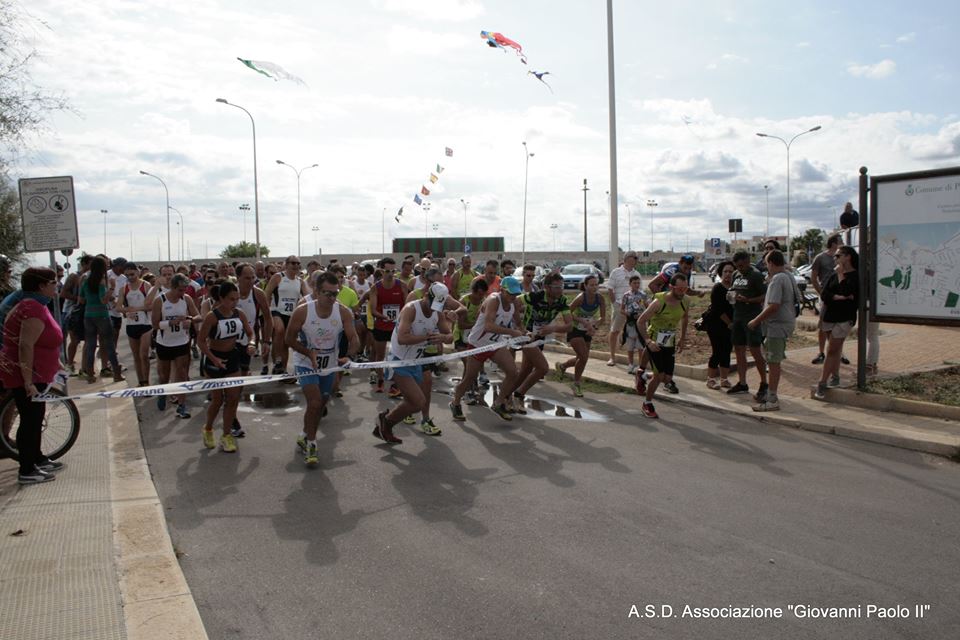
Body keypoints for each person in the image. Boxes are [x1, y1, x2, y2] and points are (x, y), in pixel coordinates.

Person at [0, 268, 66, 484]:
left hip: (37, 372)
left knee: (35, 418)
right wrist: (28, 381)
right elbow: (25, 345)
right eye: (53, 282)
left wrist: (55, 360)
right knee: (29, 420)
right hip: (29, 374)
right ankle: (27, 469)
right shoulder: (32, 308)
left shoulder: (32, 305)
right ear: (41, 286)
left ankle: (37, 458)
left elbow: (40, 339)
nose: (56, 285)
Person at [373, 283, 453, 445]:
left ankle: (386, 422)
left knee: (416, 400)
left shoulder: (437, 313)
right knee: (417, 402)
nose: (433, 309)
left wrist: (444, 337)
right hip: (399, 360)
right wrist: (428, 338)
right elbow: (403, 338)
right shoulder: (411, 309)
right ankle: (387, 421)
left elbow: (449, 335)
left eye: (438, 305)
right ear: (426, 295)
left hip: (417, 359)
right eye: (432, 304)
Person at [450, 276, 525, 422]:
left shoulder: (514, 302)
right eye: (510, 293)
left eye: (515, 294)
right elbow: (488, 326)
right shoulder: (493, 300)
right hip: (478, 344)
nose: (513, 297)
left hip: (495, 344)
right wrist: (512, 332)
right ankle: (455, 402)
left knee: (512, 372)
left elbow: (519, 323)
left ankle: (499, 402)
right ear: (502, 290)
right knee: (469, 378)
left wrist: (525, 332)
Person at [197, 282, 255, 453]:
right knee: (217, 400)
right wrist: (213, 359)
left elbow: (250, 332)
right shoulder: (212, 316)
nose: (235, 302)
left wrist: (251, 343)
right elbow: (201, 341)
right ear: (221, 298)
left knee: (233, 398)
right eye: (231, 299)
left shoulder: (239, 313)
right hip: (214, 359)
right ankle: (208, 428)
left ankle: (226, 435)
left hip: (232, 358)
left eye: (237, 299)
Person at [747, 251, 798, 412]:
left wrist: (756, 320)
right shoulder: (788, 276)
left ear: (771, 263)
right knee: (774, 360)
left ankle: (772, 398)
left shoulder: (778, 279)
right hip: (785, 324)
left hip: (777, 326)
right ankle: (770, 394)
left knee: (773, 362)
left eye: (766, 263)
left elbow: (773, 305)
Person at [514, 272, 573, 409]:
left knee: (526, 370)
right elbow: (514, 303)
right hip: (527, 336)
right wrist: (520, 327)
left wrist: (552, 328)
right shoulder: (536, 296)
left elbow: (569, 326)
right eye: (556, 287)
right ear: (547, 287)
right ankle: (518, 395)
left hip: (539, 337)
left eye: (562, 286)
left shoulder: (562, 300)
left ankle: (507, 396)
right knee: (542, 368)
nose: (560, 290)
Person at [636, 273, 690, 419]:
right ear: (671, 287)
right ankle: (647, 404)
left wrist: (683, 338)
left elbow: (685, 318)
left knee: (667, 379)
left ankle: (643, 376)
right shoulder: (659, 302)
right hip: (655, 340)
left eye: (685, 289)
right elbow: (640, 321)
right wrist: (648, 341)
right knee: (659, 375)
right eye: (679, 289)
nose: (683, 292)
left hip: (669, 341)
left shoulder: (686, 300)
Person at [814, 246, 860, 400]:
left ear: (848, 257)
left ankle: (822, 383)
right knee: (835, 349)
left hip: (844, 317)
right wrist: (837, 297)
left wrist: (841, 276)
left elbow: (848, 291)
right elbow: (825, 293)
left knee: (831, 350)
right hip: (829, 316)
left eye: (838, 255)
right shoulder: (833, 274)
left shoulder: (855, 276)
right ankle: (835, 376)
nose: (835, 258)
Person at [151, 274, 200, 419]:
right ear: (172, 287)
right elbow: (154, 324)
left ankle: (182, 404)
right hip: (165, 342)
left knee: (182, 372)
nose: (182, 293)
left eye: (184, 289)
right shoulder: (160, 300)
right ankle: (163, 392)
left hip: (182, 341)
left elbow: (198, 316)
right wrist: (170, 323)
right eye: (179, 290)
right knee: (164, 375)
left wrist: (190, 320)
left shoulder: (186, 299)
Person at [233, 263, 271, 435]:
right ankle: (232, 420)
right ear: (238, 277)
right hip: (226, 343)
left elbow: (268, 319)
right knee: (229, 384)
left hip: (247, 343)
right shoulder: (228, 292)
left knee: (239, 382)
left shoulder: (258, 293)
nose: (250, 281)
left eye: (253, 278)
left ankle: (231, 416)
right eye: (247, 278)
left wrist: (266, 341)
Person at [726, 251, 768, 401]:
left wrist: (749, 300)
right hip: (738, 316)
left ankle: (764, 383)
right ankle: (742, 382)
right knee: (738, 349)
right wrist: (732, 296)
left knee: (755, 350)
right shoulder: (736, 275)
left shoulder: (756, 275)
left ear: (748, 261)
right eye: (737, 266)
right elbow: (732, 291)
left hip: (752, 317)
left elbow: (765, 295)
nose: (740, 268)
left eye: (742, 265)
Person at [556, 274, 606, 397]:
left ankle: (563, 366)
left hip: (587, 330)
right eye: (591, 285)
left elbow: (602, 318)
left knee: (582, 357)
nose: (594, 287)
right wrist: (582, 321)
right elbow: (567, 312)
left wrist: (594, 326)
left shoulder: (600, 298)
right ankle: (576, 384)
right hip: (575, 329)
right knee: (583, 357)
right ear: (585, 286)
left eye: (596, 284)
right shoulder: (580, 298)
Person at [80, 257, 124, 383]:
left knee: (91, 345)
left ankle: (90, 375)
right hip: (102, 315)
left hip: (88, 315)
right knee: (109, 344)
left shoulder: (85, 280)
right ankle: (116, 373)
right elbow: (103, 300)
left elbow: (81, 299)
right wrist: (112, 288)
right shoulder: (101, 282)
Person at [368, 257, 408, 394]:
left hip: (397, 327)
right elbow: (372, 310)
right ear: (381, 271)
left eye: (393, 271)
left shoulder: (402, 285)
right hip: (381, 325)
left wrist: (401, 318)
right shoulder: (375, 288)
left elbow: (407, 305)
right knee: (380, 355)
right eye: (387, 271)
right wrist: (383, 316)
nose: (390, 274)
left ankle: (396, 383)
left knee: (400, 355)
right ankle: (380, 379)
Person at [264, 256, 309, 375]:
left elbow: (308, 297)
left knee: (286, 342)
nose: (295, 266)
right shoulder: (278, 277)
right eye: (293, 263)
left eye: (298, 263)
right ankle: (277, 361)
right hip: (276, 310)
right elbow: (267, 293)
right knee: (279, 330)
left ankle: (281, 369)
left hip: (291, 314)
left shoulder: (300, 281)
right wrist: (266, 312)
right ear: (287, 264)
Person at [810, 234, 850, 365]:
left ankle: (839, 352)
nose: (843, 242)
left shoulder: (843, 257)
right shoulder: (820, 258)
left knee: (839, 324)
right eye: (840, 241)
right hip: (826, 295)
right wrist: (821, 293)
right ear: (834, 243)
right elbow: (813, 277)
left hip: (840, 295)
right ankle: (821, 352)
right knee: (823, 325)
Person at [118, 262, 152, 386]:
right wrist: (127, 310)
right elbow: (118, 307)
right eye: (127, 275)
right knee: (136, 356)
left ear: (137, 272)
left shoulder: (146, 285)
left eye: (132, 274)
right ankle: (140, 381)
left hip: (145, 324)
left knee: (144, 354)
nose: (130, 277)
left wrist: (138, 309)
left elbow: (152, 305)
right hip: (132, 325)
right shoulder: (124, 288)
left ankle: (147, 381)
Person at [605, 250, 639, 366]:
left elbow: (640, 291)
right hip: (619, 306)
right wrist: (615, 304)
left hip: (633, 309)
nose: (636, 260)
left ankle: (632, 361)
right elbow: (610, 289)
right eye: (635, 258)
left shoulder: (637, 274)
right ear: (628, 259)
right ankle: (612, 357)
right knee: (614, 331)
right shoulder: (616, 272)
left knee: (634, 334)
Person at [705, 261, 735, 389]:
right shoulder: (717, 288)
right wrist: (729, 323)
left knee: (727, 351)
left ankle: (724, 379)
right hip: (716, 325)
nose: (728, 274)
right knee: (717, 351)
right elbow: (718, 310)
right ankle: (710, 379)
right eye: (725, 272)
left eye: (731, 271)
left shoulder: (735, 288)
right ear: (721, 274)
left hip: (730, 326)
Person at [620, 275, 648, 375]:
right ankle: (631, 364)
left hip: (640, 323)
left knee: (641, 346)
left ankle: (641, 366)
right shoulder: (626, 295)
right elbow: (621, 309)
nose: (636, 285)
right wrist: (628, 313)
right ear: (630, 284)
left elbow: (648, 308)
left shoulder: (643, 295)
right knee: (630, 346)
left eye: (638, 283)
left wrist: (642, 315)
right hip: (630, 323)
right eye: (634, 283)